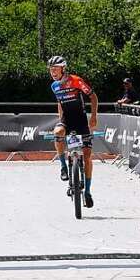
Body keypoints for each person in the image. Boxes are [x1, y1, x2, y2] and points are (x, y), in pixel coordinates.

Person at [48, 55, 99, 208]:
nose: (53, 72)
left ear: (63, 69)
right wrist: (60, 119)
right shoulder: (54, 86)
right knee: (57, 132)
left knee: (88, 157)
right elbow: (59, 102)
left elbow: (93, 97)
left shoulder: (76, 81)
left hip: (81, 120)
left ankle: (88, 192)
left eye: (55, 69)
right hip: (66, 120)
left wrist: (94, 117)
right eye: (51, 70)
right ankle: (63, 166)